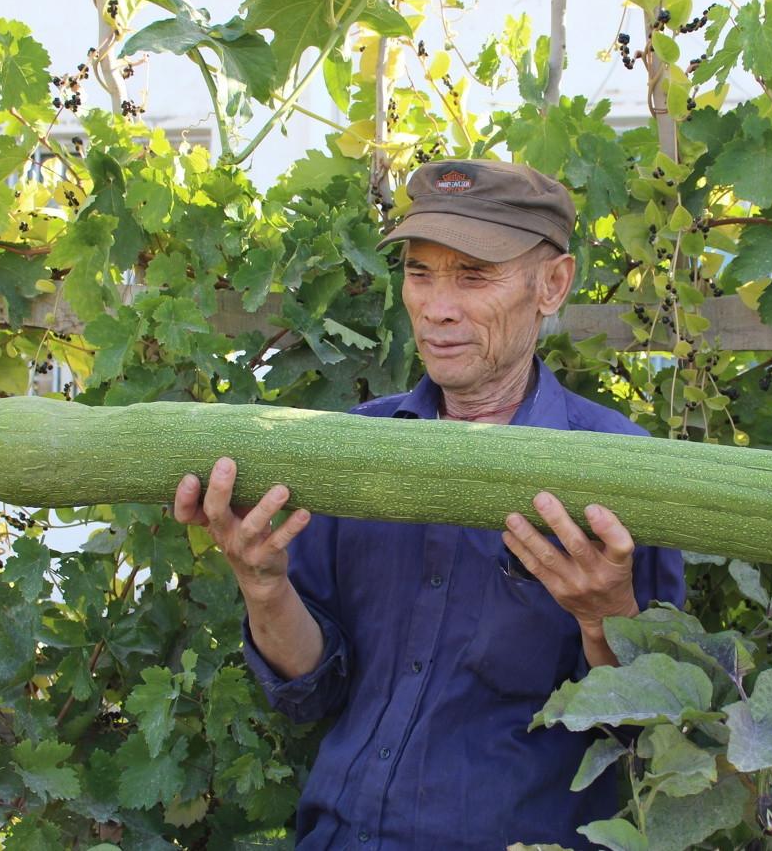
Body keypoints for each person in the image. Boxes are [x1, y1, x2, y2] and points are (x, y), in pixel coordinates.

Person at [172, 159, 686, 849]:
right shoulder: (353, 446)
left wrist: (606, 621)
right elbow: (313, 690)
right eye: (420, 272)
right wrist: (265, 589)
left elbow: (643, 731)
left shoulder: (622, 469)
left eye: (473, 275)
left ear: (552, 284)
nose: (437, 306)